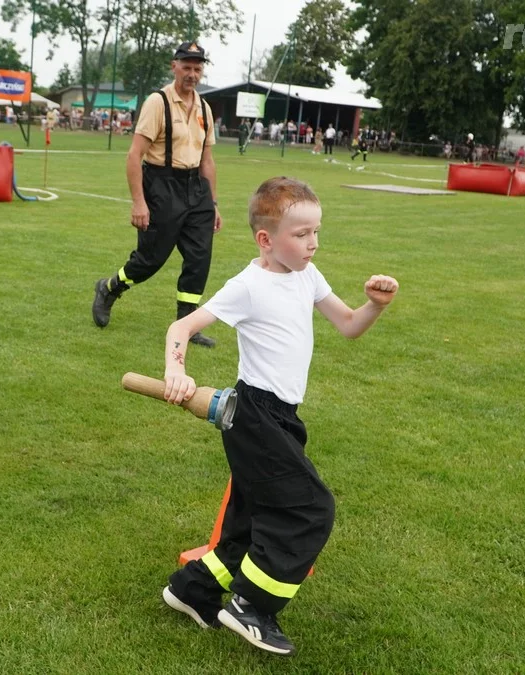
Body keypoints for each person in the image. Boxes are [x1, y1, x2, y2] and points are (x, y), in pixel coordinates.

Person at [159, 176, 398, 656]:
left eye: (316, 232)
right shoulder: (249, 285)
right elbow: (182, 326)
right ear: (266, 240)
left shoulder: (308, 276)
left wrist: (374, 306)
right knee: (309, 510)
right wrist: (175, 370)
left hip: (285, 417)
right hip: (253, 416)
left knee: (250, 524)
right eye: (301, 234)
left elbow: (349, 326)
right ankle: (251, 605)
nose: (313, 243)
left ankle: (192, 590)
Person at [91, 41, 223, 348]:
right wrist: (139, 202)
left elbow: (208, 160)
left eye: (197, 68)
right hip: (162, 186)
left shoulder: (205, 107)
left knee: (199, 259)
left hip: (196, 189)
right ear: (173, 66)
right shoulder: (158, 102)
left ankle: (186, 325)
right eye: (186, 67)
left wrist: (213, 203)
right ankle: (109, 288)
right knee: (150, 259)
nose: (192, 73)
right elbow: (134, 155)